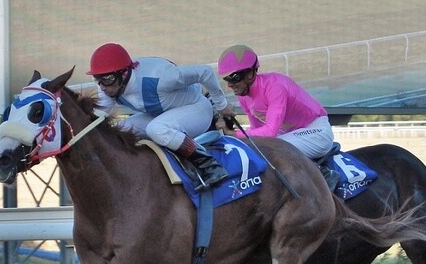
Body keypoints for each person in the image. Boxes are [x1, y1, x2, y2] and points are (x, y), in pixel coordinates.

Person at [87, 42, 234, 190]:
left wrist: (221, 105)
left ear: (124, 73)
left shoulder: (161, 77)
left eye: (106, 79)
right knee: (119, 129)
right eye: (97, 79)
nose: (102, 87)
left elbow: (205, 72)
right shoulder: (108, 86)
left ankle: (209, 165)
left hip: (197, 110)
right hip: (161, 114)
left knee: (156, 129)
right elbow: (96, 121)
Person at [216, 44, 340, 190]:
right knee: (257, 148)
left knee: (274, 149)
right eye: (227, 79)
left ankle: (324, 174)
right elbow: (258, 134)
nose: (230, 85)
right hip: (290, 134)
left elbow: (269, 133)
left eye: (234, 78)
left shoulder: (275, 86)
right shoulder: (244, 97)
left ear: (250, 74)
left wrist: (234, 134)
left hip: (317, 131)